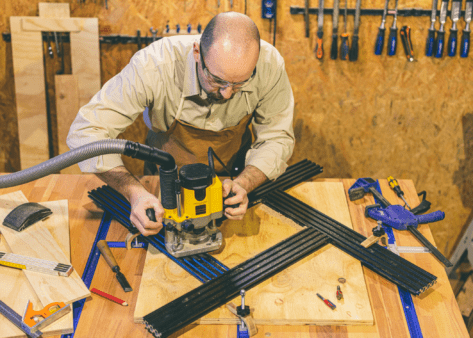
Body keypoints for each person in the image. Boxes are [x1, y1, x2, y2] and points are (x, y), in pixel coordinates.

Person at [67, 12, 295, 236]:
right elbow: (86, 133)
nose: (226, 94)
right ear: (197, 52)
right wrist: (135, 193)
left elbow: (276, 138)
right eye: (217, 80)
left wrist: (245, 183)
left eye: (239, 84)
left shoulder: (268, 65)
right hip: (163, 185)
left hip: (231, 182)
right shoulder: (155, 65)